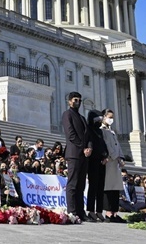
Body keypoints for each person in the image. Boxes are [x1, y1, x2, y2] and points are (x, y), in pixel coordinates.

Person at [61, 91, 91, 222]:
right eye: (75, 100)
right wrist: (82, 147)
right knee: (72, 184)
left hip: (84, 154)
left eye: (79, 100)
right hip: (74, 153)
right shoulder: (67, 114)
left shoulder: (82, 118)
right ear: (69, 101)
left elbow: (88, 135)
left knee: (81, 184)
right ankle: (72, 211)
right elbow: (70, 134)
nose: (77, 102)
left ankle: (80, 211)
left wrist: (89, 147)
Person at [99, 109, 125, 222]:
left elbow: (117, 146)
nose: (111, 119)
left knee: (115, 188)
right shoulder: (102, 130)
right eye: (109, 117)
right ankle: (108, 212)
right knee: (108, 188)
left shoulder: (112, 131)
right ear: (103, 117)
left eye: (112, 117)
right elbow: (106, 145)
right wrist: (114, 156)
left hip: (115, 163)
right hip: (108, 161)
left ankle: (115, 212)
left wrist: (121, 157)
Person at [85, 109, 108, 222]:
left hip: (101, 161)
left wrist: (105, 155)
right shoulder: (89, 129)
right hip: (93, 160)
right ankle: (90, 209)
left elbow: (103, 145)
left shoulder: (99, 131)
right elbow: (89, 142)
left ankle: (99, 210)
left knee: (100, 187)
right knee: (93, 186)